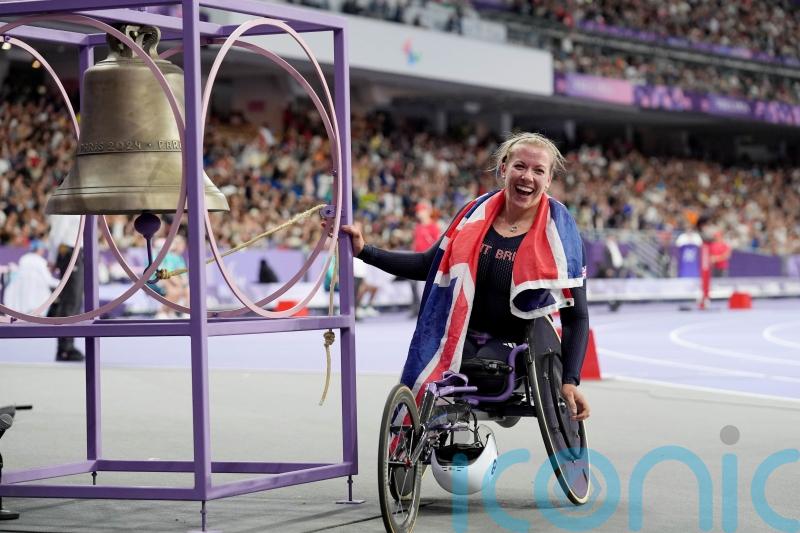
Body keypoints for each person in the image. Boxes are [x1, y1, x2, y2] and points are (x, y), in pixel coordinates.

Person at [342, 132, 590, 421]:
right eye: (520, 166)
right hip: (461, 330)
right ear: (503, 169)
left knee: (483, 372)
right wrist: (364, 251)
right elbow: (426, 265)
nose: (527, 177)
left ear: (548, 180)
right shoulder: (473, 214)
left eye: (538, 171)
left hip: (516, 340)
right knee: (437, 369)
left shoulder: (560, 234)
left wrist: (570, 380)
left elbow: (577, 316)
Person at [46, 214, 84, 362]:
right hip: (69, 251)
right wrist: (52, 258)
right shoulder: (68, 203)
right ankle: (64, 348)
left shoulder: (80, 205)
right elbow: (57, 232)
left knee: (75, 301)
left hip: (77, 252)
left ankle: (67, 345)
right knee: (70, 300)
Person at [3, 240, 60, 314]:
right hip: (37, 297)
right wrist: (61, 283)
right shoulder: (40, 261)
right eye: (42, 248)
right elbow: (48, 280)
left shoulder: (24, 258)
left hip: (22, 299)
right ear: (39, 249)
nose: (43, 251)